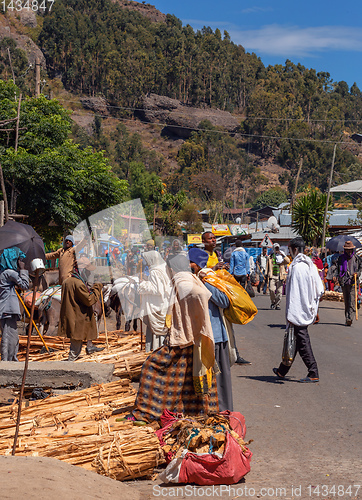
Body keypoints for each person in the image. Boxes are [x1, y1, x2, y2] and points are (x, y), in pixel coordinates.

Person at [126, 253, 219, 424]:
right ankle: (186, 413)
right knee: (185, 378)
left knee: (151, 367)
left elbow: (199, 294)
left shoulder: (181, 279)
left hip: (183, 338)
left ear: (172, 268)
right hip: (193, 339)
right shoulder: (189, 277)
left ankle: (148, 411)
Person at [188, 248, 235, 411]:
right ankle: (207, 412)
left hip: (216, 337)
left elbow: (224, 301)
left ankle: (224, 413)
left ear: (197, 264)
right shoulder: (191, 279)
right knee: (204, 380)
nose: (188, 265)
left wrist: (205, 283)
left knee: (220, 381)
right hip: (201, 336)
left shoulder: (209, 278)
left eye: (190, 262)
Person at [273, 237, 323, 383]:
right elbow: (319, 290)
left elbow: (293, 293)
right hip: (308, 308)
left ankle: (313, 371)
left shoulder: (296, 267)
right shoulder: (310, 265)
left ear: (294, 250)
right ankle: (282, 370)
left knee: (302, 341)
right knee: (295, 338)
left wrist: (291, 313)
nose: (289, 253)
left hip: (298, 310)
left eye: (289, 250)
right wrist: (315, 309)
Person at [58, 257, 104, 361]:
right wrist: (97, 287)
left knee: (75, 347)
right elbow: (89, 300)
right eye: (88, 271)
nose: (89, 274)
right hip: (78, 320)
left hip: (71, 318)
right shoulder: (78, 284)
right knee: (74, 352)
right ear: (82, 270)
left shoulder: (67, 281)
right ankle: (68, 369)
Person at [138, 250, 173, 352]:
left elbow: (157, 290)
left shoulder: (155, 272)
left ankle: (156, 351)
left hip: (157, 305)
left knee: (156, 331)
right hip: (165, 302)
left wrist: (143, 284)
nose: (146, 262)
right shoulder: (164, 267)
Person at [0, 247, 29, 361]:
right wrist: (23, 269)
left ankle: (9, 359)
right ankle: (7, 360)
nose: (19, 262)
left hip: (5, 308)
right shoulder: (9, 273)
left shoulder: (3, 273)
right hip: (8, 309)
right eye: (18, 260)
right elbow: (25, 285)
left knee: (10, 335)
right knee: (9, 336)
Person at [335, 240, 362, 326]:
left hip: (353, 282)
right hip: (344, 282)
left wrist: (357, 274)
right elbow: (337, 269)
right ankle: (347, 318)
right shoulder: (340, 258)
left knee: (352, 301)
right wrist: (336, 277)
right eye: (347, 250)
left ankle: (350, 318)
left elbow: (360, 269)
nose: (349, 251)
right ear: (345, 250)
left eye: (350, 250)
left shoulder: (357, 259)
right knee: (346, 301)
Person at [266, 243, 290, 310]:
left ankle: (277, 304)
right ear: (273, 249)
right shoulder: (270, 257)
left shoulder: (281, 257)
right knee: (271, 290)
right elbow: (267, 267)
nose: (277, 249)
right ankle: (273, 302)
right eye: (275, 248)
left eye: (277, 248)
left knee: (279, 292)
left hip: (280, 276)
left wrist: (283, 255)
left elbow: (288, 261)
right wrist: (266, 275)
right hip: (272, 276)